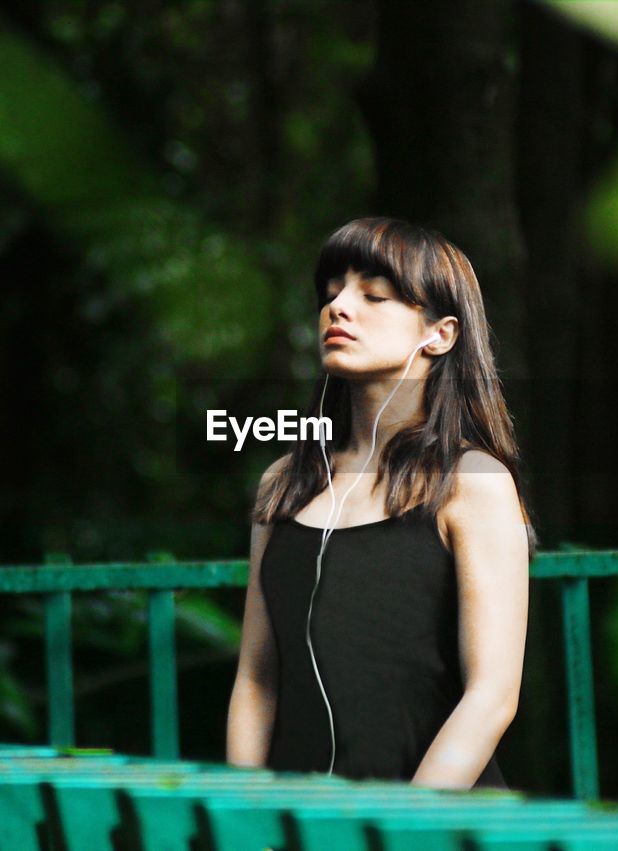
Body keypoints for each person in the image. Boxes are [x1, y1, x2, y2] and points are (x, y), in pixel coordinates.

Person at [225, 216, 537, 791]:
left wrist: (397, 831)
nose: (339, 308)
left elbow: (491, 697)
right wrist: (246, 823)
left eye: (374, 295)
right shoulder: (283, 483)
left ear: (439, 334)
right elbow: (257, 678)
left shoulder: (474, 483)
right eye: (330, 294)